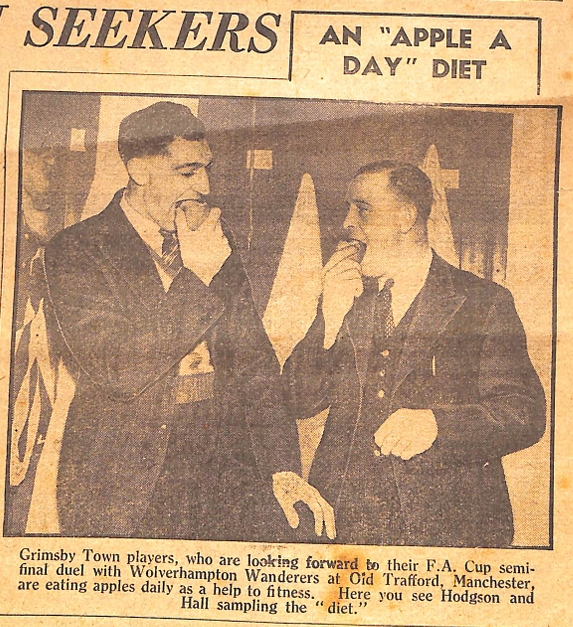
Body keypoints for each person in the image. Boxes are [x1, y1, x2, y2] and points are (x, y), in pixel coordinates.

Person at [30, 101, 334, 540]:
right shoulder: (76, 249)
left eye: (206, 169)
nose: (204, 187)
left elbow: (255, 367)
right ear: (138, 169)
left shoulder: (210, 241)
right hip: (123, 482)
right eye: (187, 172)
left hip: (227, 474)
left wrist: (283, 467)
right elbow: (117, 368)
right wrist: (198, 276)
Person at [284, 160, 546, 547]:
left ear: (406, 217)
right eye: (349, 209)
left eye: (363, 208)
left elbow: (523, 413)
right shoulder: (346, 294)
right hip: (343, 523)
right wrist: (328, 320)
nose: (347, 223)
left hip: (447, 526)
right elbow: (296, 400)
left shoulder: (483, 302)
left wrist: (438, 424)